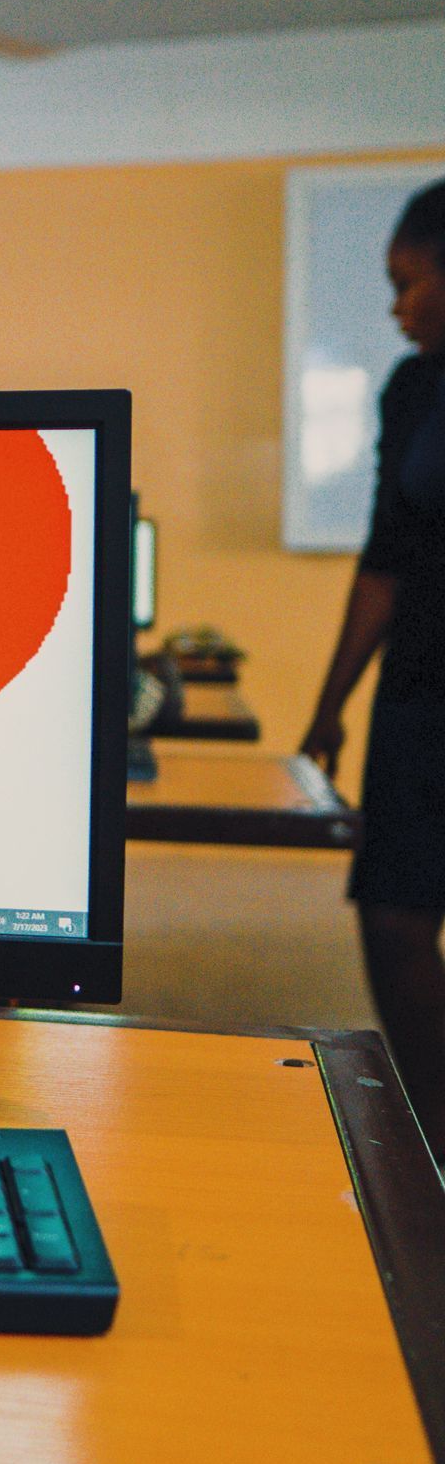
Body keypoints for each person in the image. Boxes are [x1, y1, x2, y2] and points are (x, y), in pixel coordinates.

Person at [302, 177, 445, 1142]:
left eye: (406, 282)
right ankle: (434, 1135)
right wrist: (329, 708)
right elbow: (384, 560)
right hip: (423, 687)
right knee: (394, 919)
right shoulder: (414, 387)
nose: (395, 309)